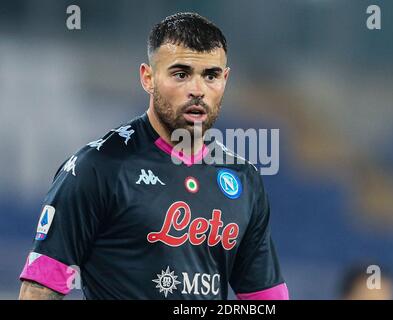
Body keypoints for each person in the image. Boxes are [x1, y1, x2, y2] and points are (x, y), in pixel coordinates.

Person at [18, 12, 289, 300]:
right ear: (148, 78)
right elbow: (39, 289)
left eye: (211, 75)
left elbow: (265, 297)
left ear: (225, 79)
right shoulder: (97, 168)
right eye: (181, 74)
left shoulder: (243, 178)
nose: (197, 90)